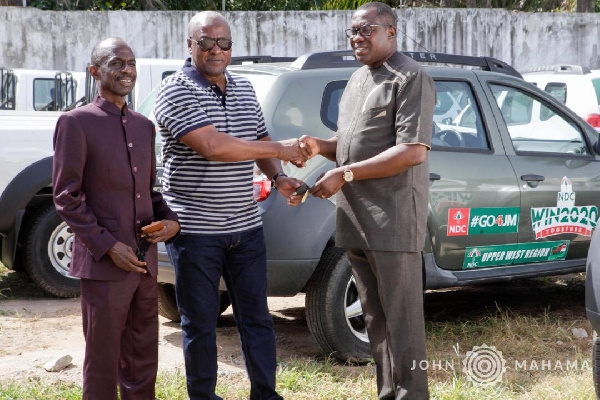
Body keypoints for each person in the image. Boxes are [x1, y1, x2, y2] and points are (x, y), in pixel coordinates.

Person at [154, 11, 308, 400]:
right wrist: (280, 149)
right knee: (200, 323)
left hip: (245, 228)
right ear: (190, 45)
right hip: (195, 231)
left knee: (257, 319)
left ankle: (265, 394)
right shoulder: (175, 91)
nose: (216, 50)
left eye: (224, 43)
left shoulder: (242, 88)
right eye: (206, 42)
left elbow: (257, 136)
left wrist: (277, 176)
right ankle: (203, 396)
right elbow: (214, 147)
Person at [299, 2, 436, 399]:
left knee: (403, 322)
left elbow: (412, 151)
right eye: (352, 32)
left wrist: (343, 174)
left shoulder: (411, 77)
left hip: (392, 221)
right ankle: (387, 393)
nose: (357, 38)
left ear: (391, 31)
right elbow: (351, 144)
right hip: (355, 220)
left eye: (366, 30)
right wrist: (320, 146)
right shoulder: (358, 78)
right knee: (376, 320)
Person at [52, 37, 180, 400]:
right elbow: (66, 198)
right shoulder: (76, 123)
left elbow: (151, 193)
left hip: (144, 263)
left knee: (143, 360)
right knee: (103, 363)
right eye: (116, 63)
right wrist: (108, 246)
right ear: (95, 72)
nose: (127, 70)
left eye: (131, 63)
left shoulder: (143, 126)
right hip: (105, 267)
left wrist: (171, 222)